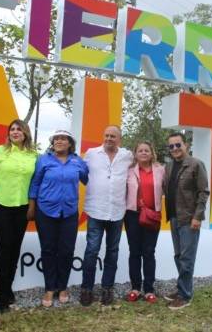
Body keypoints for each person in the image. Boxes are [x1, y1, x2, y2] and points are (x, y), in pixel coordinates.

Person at [28, 130, 89, 307]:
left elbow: (86, 178)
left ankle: (62, 287)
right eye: (56, 139)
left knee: (66, 251)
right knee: (48, 250)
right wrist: (32, 207)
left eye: (63, 139)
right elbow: (35, 183)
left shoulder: (78, 161)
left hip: (69, 213)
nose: (59, 141)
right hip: (45, 211)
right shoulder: (43, 160)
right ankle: (49, 288)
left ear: (70, 143)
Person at [0, 119, 37, 313]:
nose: (15, 132)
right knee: (5, 249)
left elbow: (35, 181)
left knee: (15, 250)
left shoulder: (33, 155)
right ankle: (0, 296)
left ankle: (8, 288)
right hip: (1, 206)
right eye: (12, 129)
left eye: (18, 129)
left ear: (25, 133)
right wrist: (2, 181)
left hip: (22, 208)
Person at [80, 125, 133, 306]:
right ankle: (86, 289)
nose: (109, 138)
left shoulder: (127, 156)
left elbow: (142, 165)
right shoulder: (91, 153)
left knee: (112, 252)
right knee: (91, 251)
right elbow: (80, 173)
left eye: (113, 136)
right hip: (95, 210)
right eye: (107, 135)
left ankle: (107, 288)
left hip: (117, 212)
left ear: (120, 139)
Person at [162, 132, 209, 310]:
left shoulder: (196, 164)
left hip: (189, 219)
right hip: (173, 217)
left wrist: (198, 216)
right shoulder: (169, 166)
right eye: (171, 146)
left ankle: (185, 295)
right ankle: (182, 287)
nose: (175, 148)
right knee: (179, 255)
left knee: (187, 258)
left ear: (186, 145)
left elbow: (203, 192)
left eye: (178, 145)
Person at [124, 141, 165, 304]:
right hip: (132, 215)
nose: (143, 153)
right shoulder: (128, 171)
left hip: (152, 215)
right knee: (134, 252)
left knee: (149, 252)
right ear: (135, 154)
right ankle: (135, 288)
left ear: (152, 152)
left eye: (146, 150)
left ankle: (148, 289)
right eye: (140, 150)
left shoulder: (161, 170)